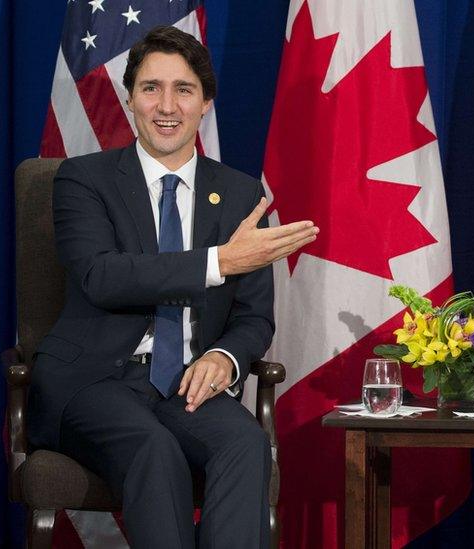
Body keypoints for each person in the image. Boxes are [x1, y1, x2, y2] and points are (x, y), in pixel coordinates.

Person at [26, 26, 319, 548]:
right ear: (129, 97)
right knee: (152, 448)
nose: (167, 106)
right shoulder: (82, 179)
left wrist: (226, 358)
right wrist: (219, 260)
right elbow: (103, 276)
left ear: (205, 102)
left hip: (188, 384)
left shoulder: (239, 194)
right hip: (94, 383)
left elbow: (253, 317)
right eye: (150, 88)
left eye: (183, 89)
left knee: (247, 444)